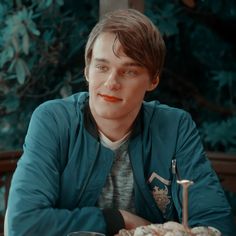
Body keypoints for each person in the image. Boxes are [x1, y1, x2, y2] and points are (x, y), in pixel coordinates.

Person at [6, 8, 236, 236]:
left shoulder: (175, 126)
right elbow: (23, 224)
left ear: (153, 80)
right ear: (87, 70)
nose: (111, 82)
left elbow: (216, 224)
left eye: (129, 72)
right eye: (102, 67)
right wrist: (120, 219)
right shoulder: (53, 120)